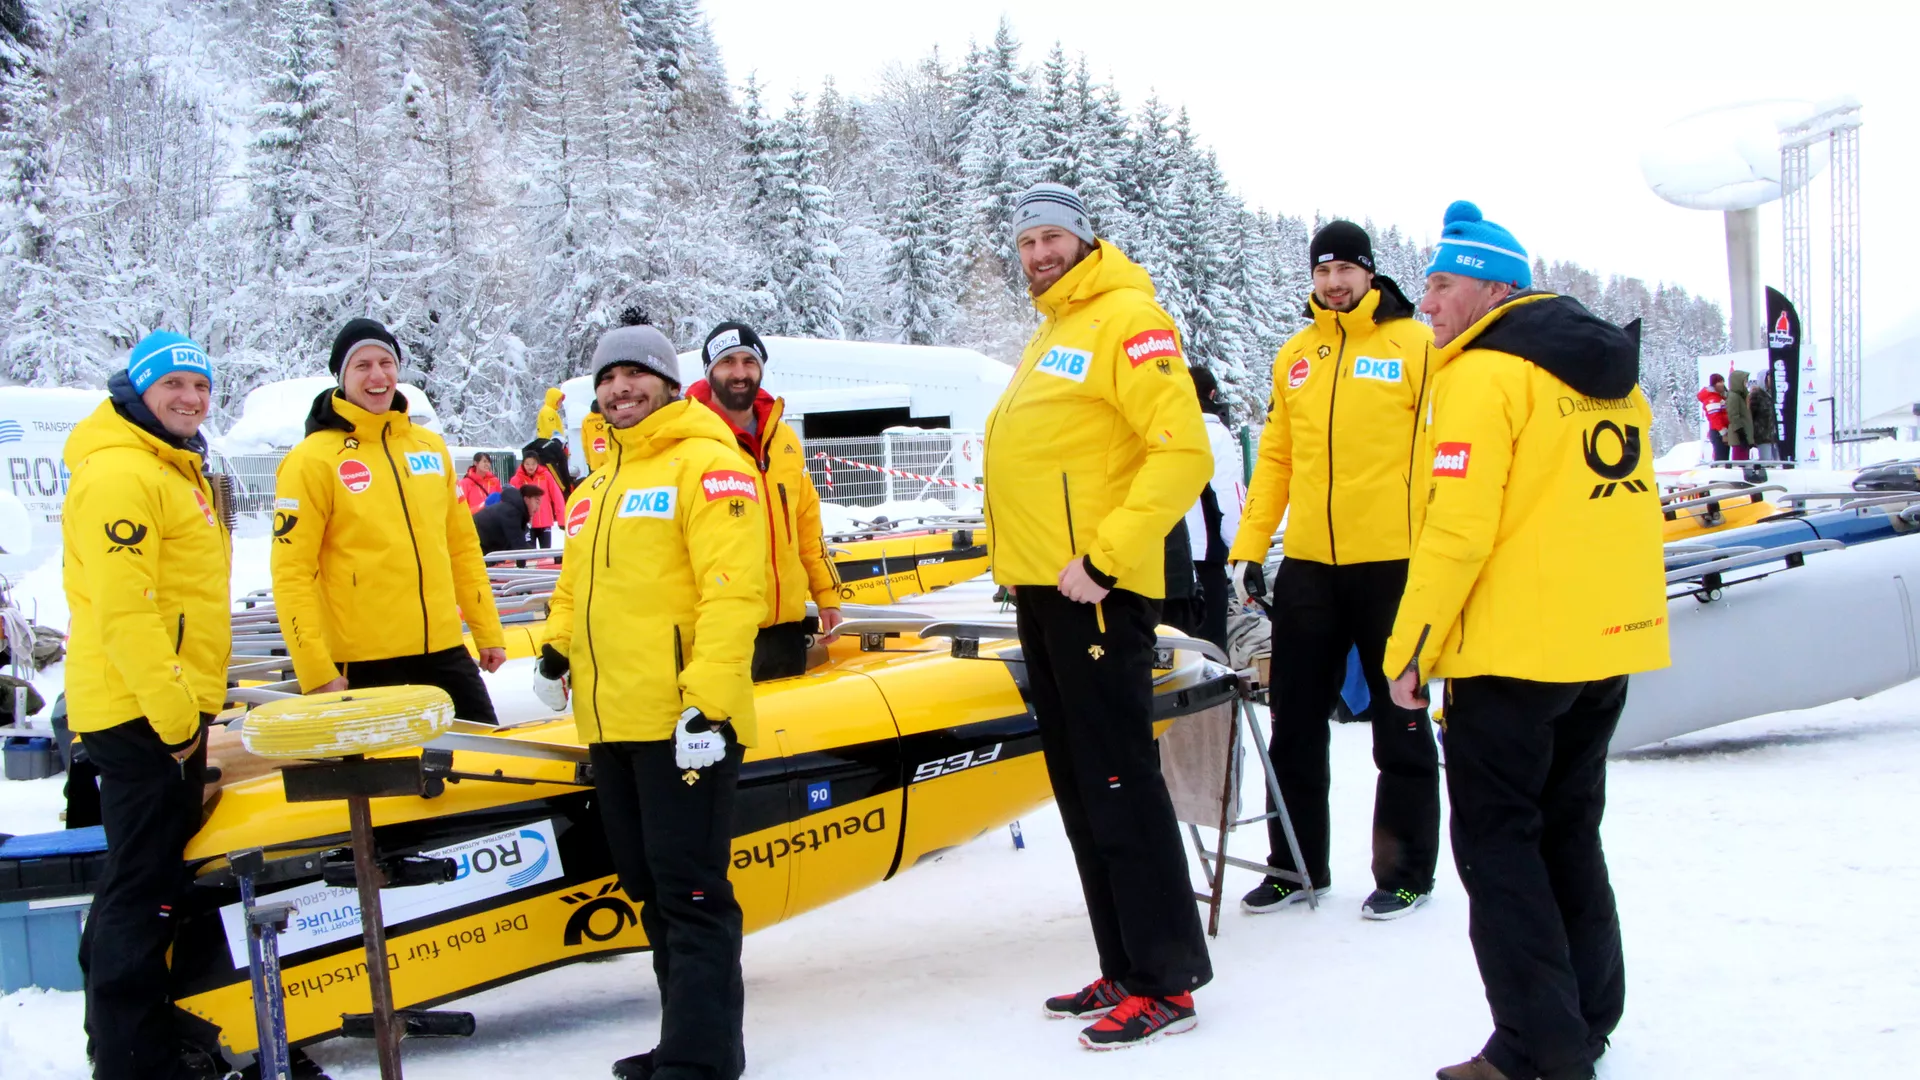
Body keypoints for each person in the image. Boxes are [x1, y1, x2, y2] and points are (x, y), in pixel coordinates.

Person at [1385, 201, 1668, 1080]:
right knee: (1570, 834)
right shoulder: (1608, 375)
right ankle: (1586, 1017)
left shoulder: (1484, 377)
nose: (1427, 302)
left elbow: (1456, 528)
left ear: (1497, 288)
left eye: (1443, 283)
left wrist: (1411, 648)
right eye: (1426, 283)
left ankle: (1534, 1047)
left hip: (1511, 656)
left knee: (1501, 848)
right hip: (1600, 646)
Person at [984, 182, 1213, 1050]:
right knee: (1083, 786)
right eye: (1027, 242)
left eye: (1053, 238)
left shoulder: (1126, 319)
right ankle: (1123, 965)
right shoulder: (1055, 330)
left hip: (1095, 592)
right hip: (1045, 590)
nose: (1040, 254)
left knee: (1118, 779)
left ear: (1086, 241)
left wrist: (1109, 557)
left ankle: (1166, 983)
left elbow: (1181, 450)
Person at [530, 320, 766, 1080]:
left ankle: (702, 1061)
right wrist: (555, 646)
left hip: (682, 721)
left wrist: (710, 700)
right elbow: (574, 586)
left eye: (636, 376)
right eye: (608, 378)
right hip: (612, 720)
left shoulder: (709, 467)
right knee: (649, 888)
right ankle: (683, 1041)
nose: (621, 389)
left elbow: (735, 591)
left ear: (668, 383)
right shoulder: (596, 485)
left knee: (692, 891)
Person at [1225, 219, 1441, 921]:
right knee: (1291, 719)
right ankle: (1294, 867)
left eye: (1346, 269)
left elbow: (1444, 447)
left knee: (1398, 718)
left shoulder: (1417, 345)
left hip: (1394, 561)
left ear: (1371, 273)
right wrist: (1249, 547)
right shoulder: (1297, 355)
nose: (1335, 283)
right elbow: (1278, 460)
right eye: (1323, 272)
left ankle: (1406, 872)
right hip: (1311, 564)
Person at [62, 331, 232, 1080]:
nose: (191, 399)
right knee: (142, 887)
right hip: (142, 716)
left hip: (158, 709)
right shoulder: (121, 476)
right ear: (139, 391)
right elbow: (125, 614)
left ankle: (127, 1034)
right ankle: (133, 1059)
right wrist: (175, 722)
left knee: (139, 878)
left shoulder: (168, 467)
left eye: (200, 386)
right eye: (174, 386)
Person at [270, 317, 508, 725]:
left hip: (443, 649)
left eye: (386, 363)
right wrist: (314, 669)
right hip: (364, 660)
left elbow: (462, 548)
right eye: (361, 366)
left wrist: (488, 631)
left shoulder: (429, 448)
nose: (377, 376)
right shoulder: (312, 459)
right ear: (340, 377)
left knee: (487, 759)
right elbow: (291, 572)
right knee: (390, 782)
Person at [689, 321, 846, 680]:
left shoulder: (784, 438)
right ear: (710, 372)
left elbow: (806, 527)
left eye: (749, 361)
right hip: (721, 631)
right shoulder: (689, 441)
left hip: (786, 628)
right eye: (728, 362)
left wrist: (827, 595)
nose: (740, 373)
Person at [1180, 366, 1243, 650]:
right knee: (1210, 648)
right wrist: (1240, 551)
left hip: (1167, 559)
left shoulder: (1164, 430)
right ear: (1212, 394)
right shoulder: (1215, 434)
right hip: (1206, 553)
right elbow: (1228, 495)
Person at [510, 447, 565, 548]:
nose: (530, 467)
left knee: (546, 552)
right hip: (527, 523)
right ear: (523, 464)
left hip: (545, 521)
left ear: (538, 464)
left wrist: (562, 518)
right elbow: (512, 501)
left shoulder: (546, 476)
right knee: (530, 554)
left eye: (533, 464)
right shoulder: (516, 480)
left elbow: (557, 496)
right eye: (527, 464)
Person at [474, 483, 544, 555]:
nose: (537, 508)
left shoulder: (516, 512)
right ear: (526, 499)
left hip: (484, 545)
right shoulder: (512, 512)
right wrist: (541, 556)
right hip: (474, 543)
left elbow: (512, 545)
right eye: (537, 502)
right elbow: (519, 546)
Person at [1696, 374, 1729, 461]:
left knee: (1724, 457)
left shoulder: (1720, 396)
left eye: (1722, 381)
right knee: (1721, 458)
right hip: (1718, 432)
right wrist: (1723, 432)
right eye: (1719, 382)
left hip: (1721, 431)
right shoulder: (1712, 398)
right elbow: (1714, 418)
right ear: (1714, 384)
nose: (1722, 384)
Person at [1725, 369, 1755, 462]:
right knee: (1739, 463)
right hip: (1738, 435)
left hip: (1743, 434)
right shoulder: (1733, 396)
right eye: (1744, 381)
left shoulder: (1742, 395)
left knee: (1744, 461)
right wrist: (1741, 434)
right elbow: (1733, 416)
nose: (1746, 383)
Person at [1750, 375, 1779, 462]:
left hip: (1776, 435)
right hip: (1763, 435)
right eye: (1769, 378)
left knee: (1777, 461)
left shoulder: (1776, 394)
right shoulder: (1756, 395)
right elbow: (1751, 414)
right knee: (1766, 461)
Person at [582, 400, 611, 473]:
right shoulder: (609, 417)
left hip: (594, 461)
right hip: (610, 460)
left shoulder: (586, 420)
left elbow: (584, 444)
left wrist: (589, 461)